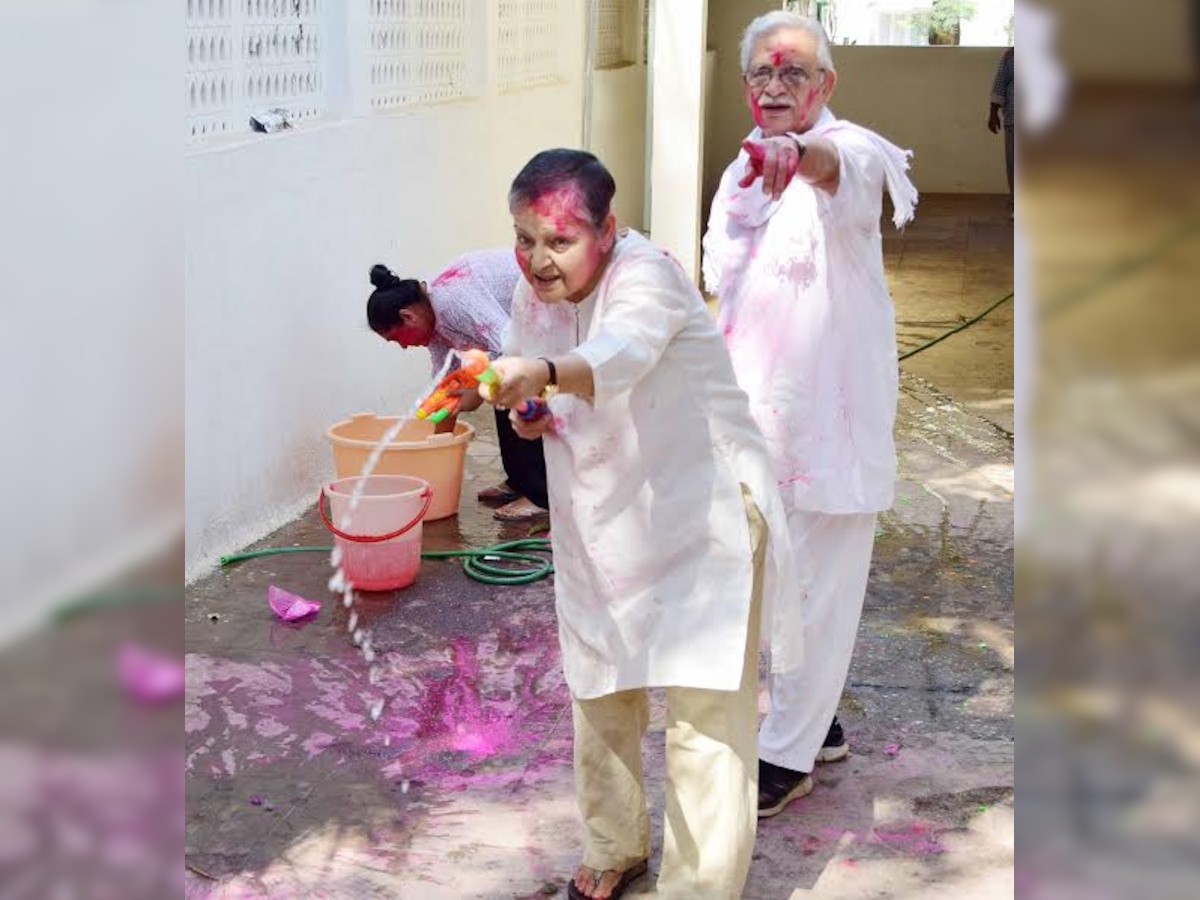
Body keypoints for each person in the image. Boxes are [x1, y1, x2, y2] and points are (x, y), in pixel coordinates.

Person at [481, 149, 799, 900]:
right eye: (524, 239)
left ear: (607, 231)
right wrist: (527, 407)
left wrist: (548, 376)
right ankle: (615, 841)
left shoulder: (646, 274)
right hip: (607, 525)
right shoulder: (535, 298)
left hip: (704, 517)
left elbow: (619, 352)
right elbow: (548, 403)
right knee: (599, 687)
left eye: (558, 241)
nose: (537, 260)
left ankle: (700, 887)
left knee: (704, 719)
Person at [702, 11, 918, 818]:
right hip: (754, 421)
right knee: (769, 585)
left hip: (830, 423)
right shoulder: (736, 173)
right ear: (746, 86)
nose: (775, 86)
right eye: (763, 73)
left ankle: (786, 754)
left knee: (819, 588)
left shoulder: (850, 149)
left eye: (794, 73)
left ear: (825, 85)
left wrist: (804, 157)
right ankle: (818, 721)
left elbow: (841, 170)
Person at [366, 253, 548, 521]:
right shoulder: (434, 325)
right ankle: (519, 481)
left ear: (408, 316)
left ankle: (539, 495)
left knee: (508, 386)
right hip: (520, 329)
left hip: (550, 304)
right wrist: (435, 453)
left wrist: (475, 392)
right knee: (498, 389)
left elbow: (508, 348)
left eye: (396, 339)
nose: (403, 347)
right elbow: (446, 387)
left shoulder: (451, 301)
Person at [989, 45, 1015, 219]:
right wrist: (993, 114)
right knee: (1014, 164)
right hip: (1015, 118)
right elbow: (999, 83)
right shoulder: (1011, 56)